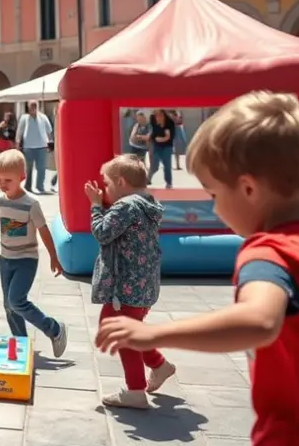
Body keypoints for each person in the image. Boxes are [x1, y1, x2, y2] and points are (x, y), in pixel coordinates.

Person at [96, 92, 299, 443]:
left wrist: (154, 334)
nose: (217, 209)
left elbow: (259, 320)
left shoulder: (270, 254)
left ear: (248, 188)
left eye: (214, 195)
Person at [83, 154, 170, 409]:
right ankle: (159, 365)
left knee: (119, 331)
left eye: (108, 184)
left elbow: (102, 233)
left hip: (126, 287)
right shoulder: (147, 203)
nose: (106, 189)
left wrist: (96, 205)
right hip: (143, 284)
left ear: (121, 181)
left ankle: (135, 391)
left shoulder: (126, 206)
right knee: (129, 328)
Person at [0, 150, 67, 357]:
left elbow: (44, 231)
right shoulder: (0, 201)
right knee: (8, 305)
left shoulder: (31, 204)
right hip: (5, 258)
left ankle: (54, 329)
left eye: (8, 180)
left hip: (26, 259)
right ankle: (22, 343)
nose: (2, 184)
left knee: (16, 300)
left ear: (22, 178)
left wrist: (54, 256)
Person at [16, 101, 54, 194]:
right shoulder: (24, 118)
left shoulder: (43, 117)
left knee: (41, 168)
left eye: (34, 106)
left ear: (37, 106)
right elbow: (19, 131)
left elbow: (49, 131)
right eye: (31, 106)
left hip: (41, 146)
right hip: (28, 147)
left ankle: (40, 187)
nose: (33, 107)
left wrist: (50, 142)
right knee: (28, 168)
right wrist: (17, 144)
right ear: (28, 107)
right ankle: (28, 186)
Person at [148, 109, 175, 189]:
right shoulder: (153, 120)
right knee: (154, 165)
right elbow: (153, 134)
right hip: (157, 146)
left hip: (167, 146)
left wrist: (165, 138)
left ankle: (169, 183)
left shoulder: (170, 123)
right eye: (156, 116)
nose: (157, 117)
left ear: (163, 115)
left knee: (167, 165)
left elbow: (170, 137)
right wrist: (155, 139)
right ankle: (148, 178)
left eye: (159, 115)